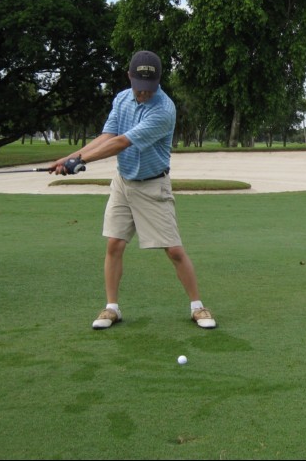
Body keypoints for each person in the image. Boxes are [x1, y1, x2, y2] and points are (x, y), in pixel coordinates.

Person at [50, 50, 216, 330]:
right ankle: (111, 308)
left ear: (158, 82)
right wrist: (72, 157)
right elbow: (107, 136)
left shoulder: (164, 109)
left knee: (174, 250)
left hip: (153, 185)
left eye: (148, 89)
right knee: (114, 244)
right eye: (139, 87)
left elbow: (122, 142)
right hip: (123, 182)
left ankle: (198, 307)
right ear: (130, 77)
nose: (143, 94)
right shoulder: (121, 99)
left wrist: (80, 161)